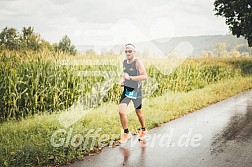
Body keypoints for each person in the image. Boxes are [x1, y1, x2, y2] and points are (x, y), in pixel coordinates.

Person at [118, 43, 148, 144]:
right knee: (121, 111)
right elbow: (126, 74)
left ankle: (144, 130)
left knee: (138, 112)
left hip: (136, 91)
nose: (128, 53)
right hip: (127, 90)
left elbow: (144, 76)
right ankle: (126, 133)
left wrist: (130, 78)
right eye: (126, 51)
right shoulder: (124, 62)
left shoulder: (137, 62)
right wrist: (123, 81)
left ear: (134, 52)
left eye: (130, 51)